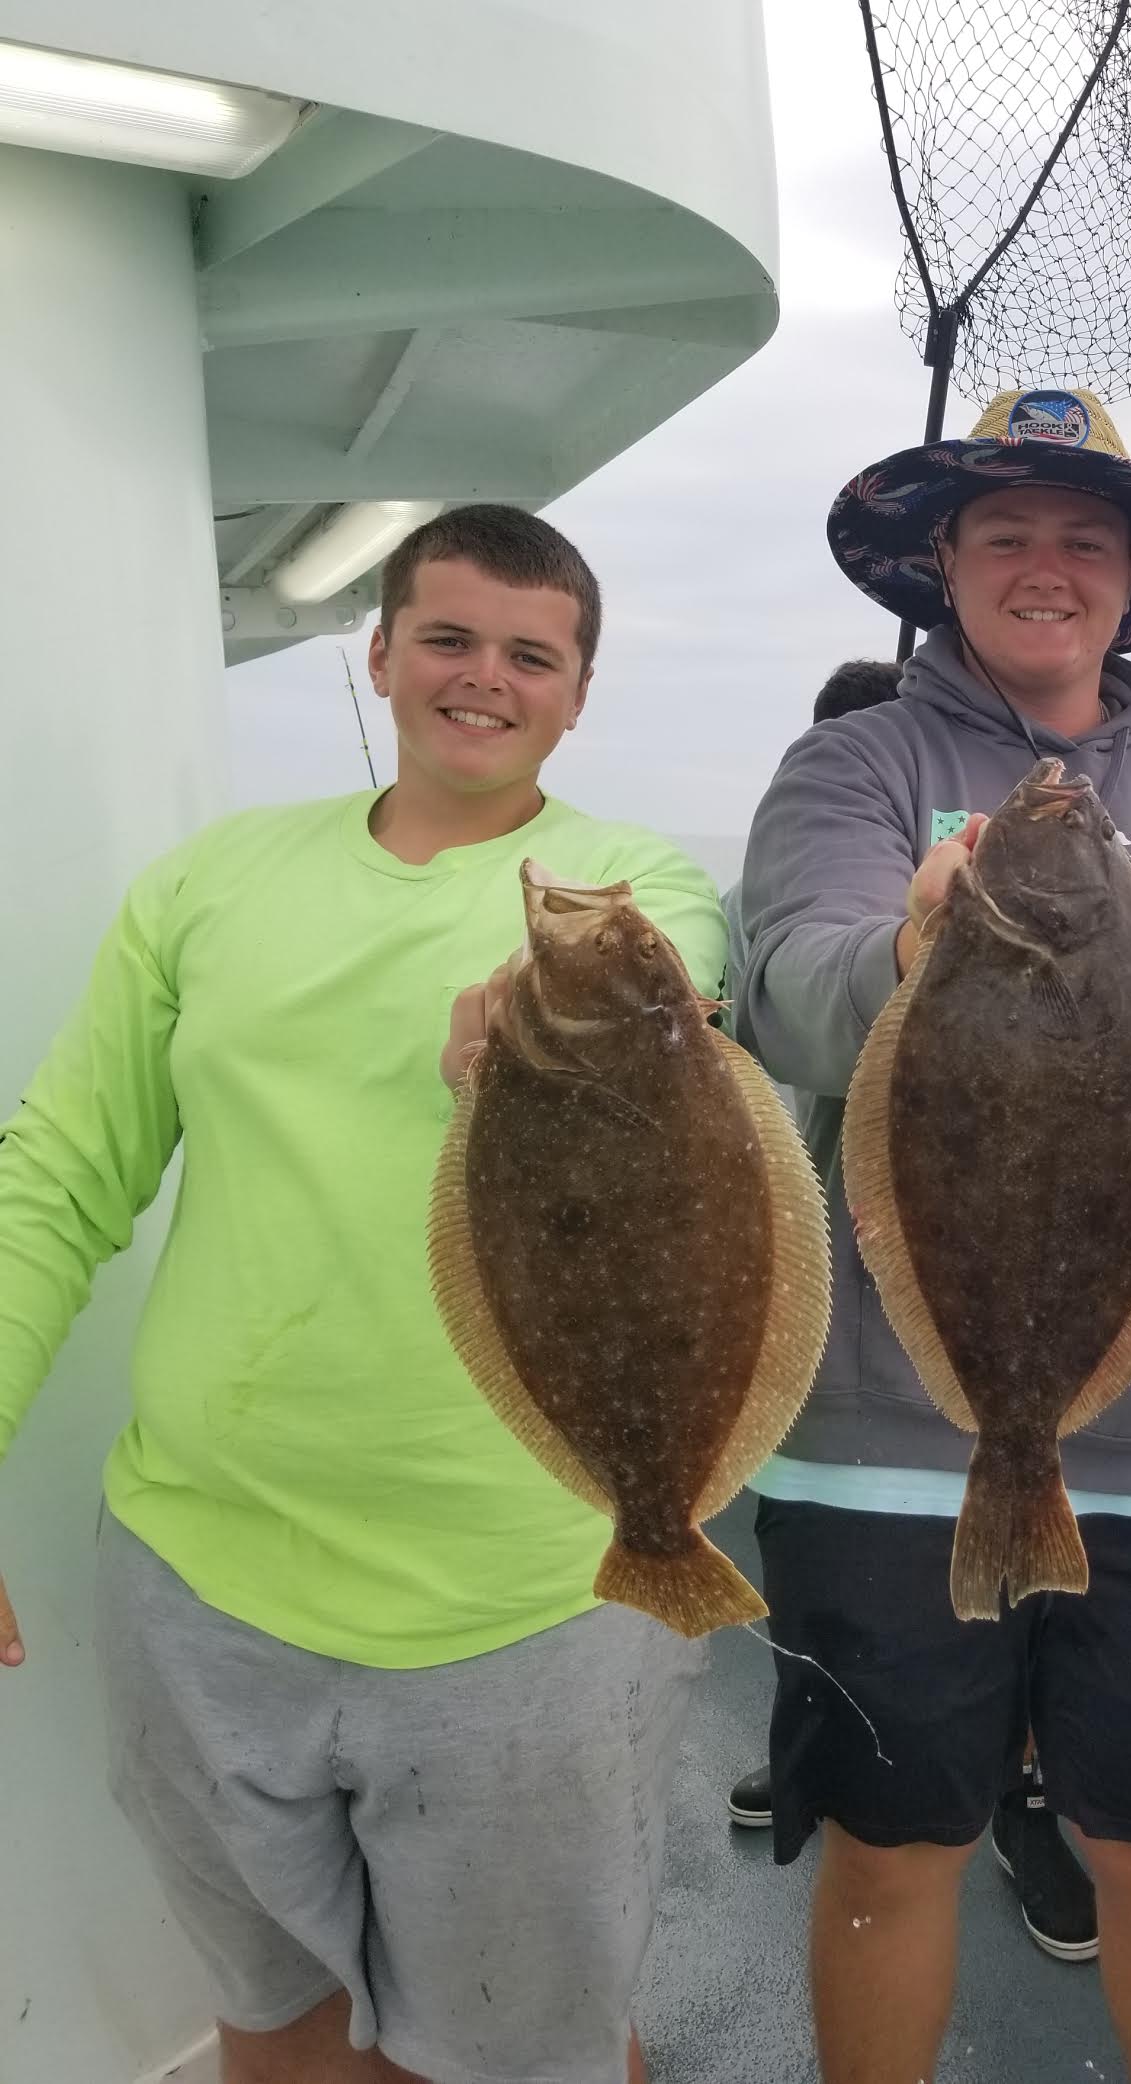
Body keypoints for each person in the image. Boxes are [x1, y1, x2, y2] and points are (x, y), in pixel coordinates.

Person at [0, 506, 724, 2084]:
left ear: (579, 694)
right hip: (197, 1589)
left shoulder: (628, 885)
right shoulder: (208, 885)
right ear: (380, 651)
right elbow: (55, 1176)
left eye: (531, 655)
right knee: (268, 2021)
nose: (484, 678)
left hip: (527, 1609)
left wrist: (545, 1041)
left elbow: (687, 978)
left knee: (530, 2054)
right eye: (449, 638)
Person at [731, 387, 1131, 2084]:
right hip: (892, 1445)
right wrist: (912, 950)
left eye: (1085, 537)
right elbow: (785, 995)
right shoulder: (857, 769)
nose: (1045, 567)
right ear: (942, 566)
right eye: (1005, 533)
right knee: (892, 1851)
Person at [723, 656, 1101, 1966]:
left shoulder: (1022, 878)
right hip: (849, 1337)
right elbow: (777, 1002)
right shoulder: (797, 896)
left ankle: (1022, 1794)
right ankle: (821, 1750)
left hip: (999, 1276)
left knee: (1032, 1604)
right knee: (872, 1672)